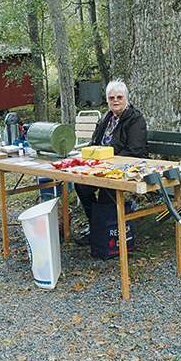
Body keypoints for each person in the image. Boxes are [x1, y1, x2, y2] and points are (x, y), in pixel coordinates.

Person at [74, 79, 148, 245]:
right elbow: (94, 143)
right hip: (101, 165)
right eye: (111, 97)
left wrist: (109, 163)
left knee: (107, 187)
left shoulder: (135, 119)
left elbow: (134, 151)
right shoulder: (106, 117)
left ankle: (101, 230)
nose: (115, 100)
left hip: (128, 166)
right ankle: (97, 224)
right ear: (107, 100)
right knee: (80, 184)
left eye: (119, 97)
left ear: (126, 99)